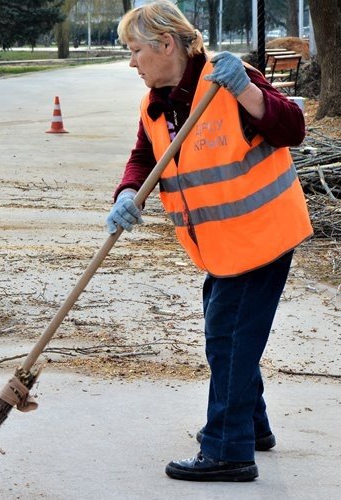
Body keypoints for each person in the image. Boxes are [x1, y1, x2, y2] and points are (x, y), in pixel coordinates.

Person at [107, 1, 312, 483]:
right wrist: (126, 194)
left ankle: (228, 449)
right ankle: (253, 426)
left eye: (136, 50)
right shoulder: (156, 104)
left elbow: (292, 128)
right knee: (230, 337)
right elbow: (143, 157)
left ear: (167, 44)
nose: (132, 62)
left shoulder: (226, 79)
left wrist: (249, 92)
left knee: (228, 339)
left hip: (262, 234)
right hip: (220, 246)